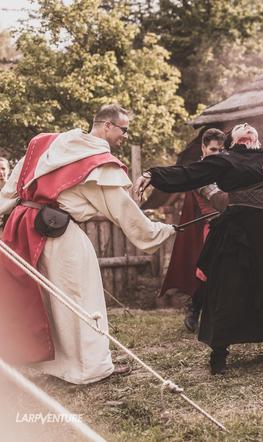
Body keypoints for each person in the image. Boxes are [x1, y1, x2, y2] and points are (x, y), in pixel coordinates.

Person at [0, 104, 175, 384]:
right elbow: (123, 208)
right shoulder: (98, 161)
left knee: (52, 299)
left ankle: (60, 365)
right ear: (106, 125)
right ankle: (91, 368)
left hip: (25, 228)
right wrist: (158, 231)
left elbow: (12, 186)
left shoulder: (46, 142)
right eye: (123, 129)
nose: (125, 136)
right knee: (82, 298)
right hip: (61, 236)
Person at [133, 123, 263, 374]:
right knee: (230, 288)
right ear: (232, 141)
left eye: (250, 128)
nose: (246, 126)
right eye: (240, 127)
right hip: (240, 234)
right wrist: (153, 175)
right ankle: (219, 354)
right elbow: (190, 172)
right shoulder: (225, 160)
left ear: (256, 141)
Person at [158, 128, 228, 332]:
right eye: (213, 149)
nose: (217, 154)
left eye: (221, 150)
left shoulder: (227, 167)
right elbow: (218, 199)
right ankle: (195, 307)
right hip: (212, 225)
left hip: (234, 222)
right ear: (203, 148)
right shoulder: (199, 171)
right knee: (210, 272)